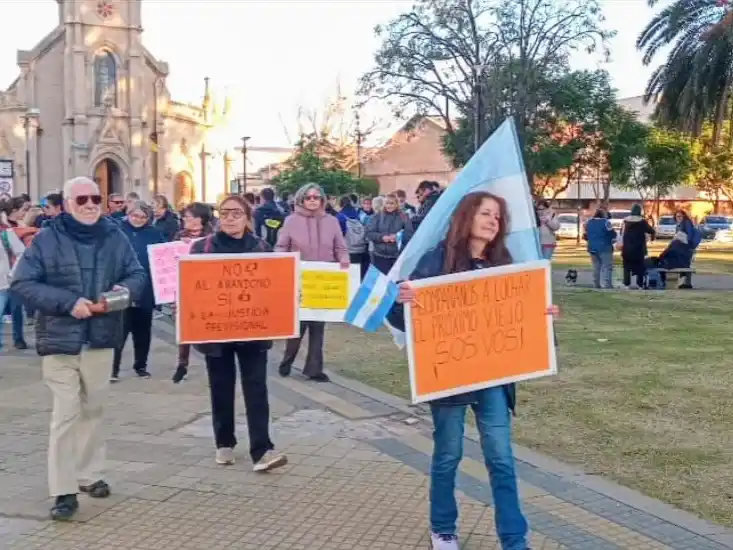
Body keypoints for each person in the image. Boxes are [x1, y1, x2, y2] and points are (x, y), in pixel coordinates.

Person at [388, 192, 530, 550]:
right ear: (467, 216)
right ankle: (443, 529)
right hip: (449, 376)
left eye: (498, 217)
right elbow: (404, 319)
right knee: (448, 454)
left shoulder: (504, 263)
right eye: (486, 213)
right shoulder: (438, 259)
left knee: (501, 457)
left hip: (494, 376)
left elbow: (518, 314)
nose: (493, 221)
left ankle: (514, 540)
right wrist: (399, 299)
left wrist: (541, 317)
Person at [10, 176, 146, 521]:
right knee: (65, 414)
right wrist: (69, 302)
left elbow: (136, 276)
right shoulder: (47, 239)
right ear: (68, 202)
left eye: (95, 199)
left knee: (94, 409)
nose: (89, 205)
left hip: (101, 337)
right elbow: (22, 283)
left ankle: (88, 473)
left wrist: (113, 299)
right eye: (81, 199)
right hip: (60, 340)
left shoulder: (115, 235)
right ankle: (64, 489)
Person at [188, 195, 287, 471]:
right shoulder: (201, 248)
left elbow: (274, 286)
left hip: (253, 330)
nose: (230, 218)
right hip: (215, 331)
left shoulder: (262, 248)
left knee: (256, 389)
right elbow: (189, 286)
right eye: (225, 213)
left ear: (247, 217)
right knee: (221, 387)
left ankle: (262, 449)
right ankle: (224, 442)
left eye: (236, 213)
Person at [276, 183, 349, 382]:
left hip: (323, 281)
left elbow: (341, 247)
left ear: (322, 200)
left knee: (318, 327)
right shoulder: (291, 221)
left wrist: (343, 259)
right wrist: (284, 263)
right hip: (299, 279)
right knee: (298, 327)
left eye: (316, 197)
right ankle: (287, 360)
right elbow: (281, 246)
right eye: (308, 197)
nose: (312, 200)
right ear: (301, 199)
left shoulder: (332, 222)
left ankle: (314, 368)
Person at [112, 201, 166, 381]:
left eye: (143, 217)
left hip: (146, 289)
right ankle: (113, 368)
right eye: (135, 216)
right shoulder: (117, 230)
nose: (138, 220)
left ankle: (141, 365)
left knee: (143, 331)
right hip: (121, 286)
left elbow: (163, 258)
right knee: (119, 331)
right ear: (128, 214)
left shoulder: (154, 233)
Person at [172, 202, 214, 383]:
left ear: (199, 219)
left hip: (205, 289)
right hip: (183, 288)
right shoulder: (179, 235)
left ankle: (211, 360)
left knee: (204, 326)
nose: (184, 220)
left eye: (188, 217)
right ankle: (182, 363)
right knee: (183, 326)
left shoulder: (212, 238)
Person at [366, 193, 413, 274]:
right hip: (379, 256)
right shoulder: (378, 216)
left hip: (396, 256)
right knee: (380, 282)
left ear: (396, 204)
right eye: (387, 203)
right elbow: (369, 233)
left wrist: (397, 237)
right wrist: (382, 237)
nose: (389, 206)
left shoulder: (403, 216)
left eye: (392, 203)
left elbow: (409, 234)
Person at [0, 218, 25, 351]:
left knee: (16, 310)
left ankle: (18, 338)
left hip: (10, 280)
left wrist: (13, 272)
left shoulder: (6, 233)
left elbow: (21, 253)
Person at [621, 204, 655, 289]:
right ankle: (640, 284)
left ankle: (626, 284)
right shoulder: (642, 221)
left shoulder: (625, 221)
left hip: (627, 249)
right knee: (640, 267)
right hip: (639, 248)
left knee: (627, 267)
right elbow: (651, 231)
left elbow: (621, 233)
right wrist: (652, 238)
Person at [337, 196, 369, 278]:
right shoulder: (357, 214)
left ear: (340, 204)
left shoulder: (340, 216)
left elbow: (339, 235)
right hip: (360, 248)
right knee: (357, 275)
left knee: (348, 275)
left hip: (348, 249)